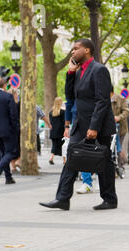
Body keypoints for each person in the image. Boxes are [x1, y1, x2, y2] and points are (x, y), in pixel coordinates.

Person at [39, 38, 118, 211]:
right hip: (80, 124)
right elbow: (70, 97)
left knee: (104, 161)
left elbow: (102, 101)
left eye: (76, 48)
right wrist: (70, 73)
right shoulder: (79, 71)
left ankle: (110, 199)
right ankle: (62, 198)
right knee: (71, 158)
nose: (72, 52)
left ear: (87, 50)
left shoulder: (99, 70)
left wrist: (94, 127)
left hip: (98, 125)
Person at [112, 88, 129, 169]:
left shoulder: (121, 99)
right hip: (108, 128)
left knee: (119, 147)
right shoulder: (102, 98)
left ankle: (120, 165)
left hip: (120, 128)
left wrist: (119, 117)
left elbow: (126, 111)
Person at [48, 97, 66, 165]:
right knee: (63, 145)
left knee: (54, 145)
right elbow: (64, 122)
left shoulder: (51, 112)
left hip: (53, 131)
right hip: (61, 131)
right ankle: (64, 160)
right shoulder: (62, 112)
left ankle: (51, 158)